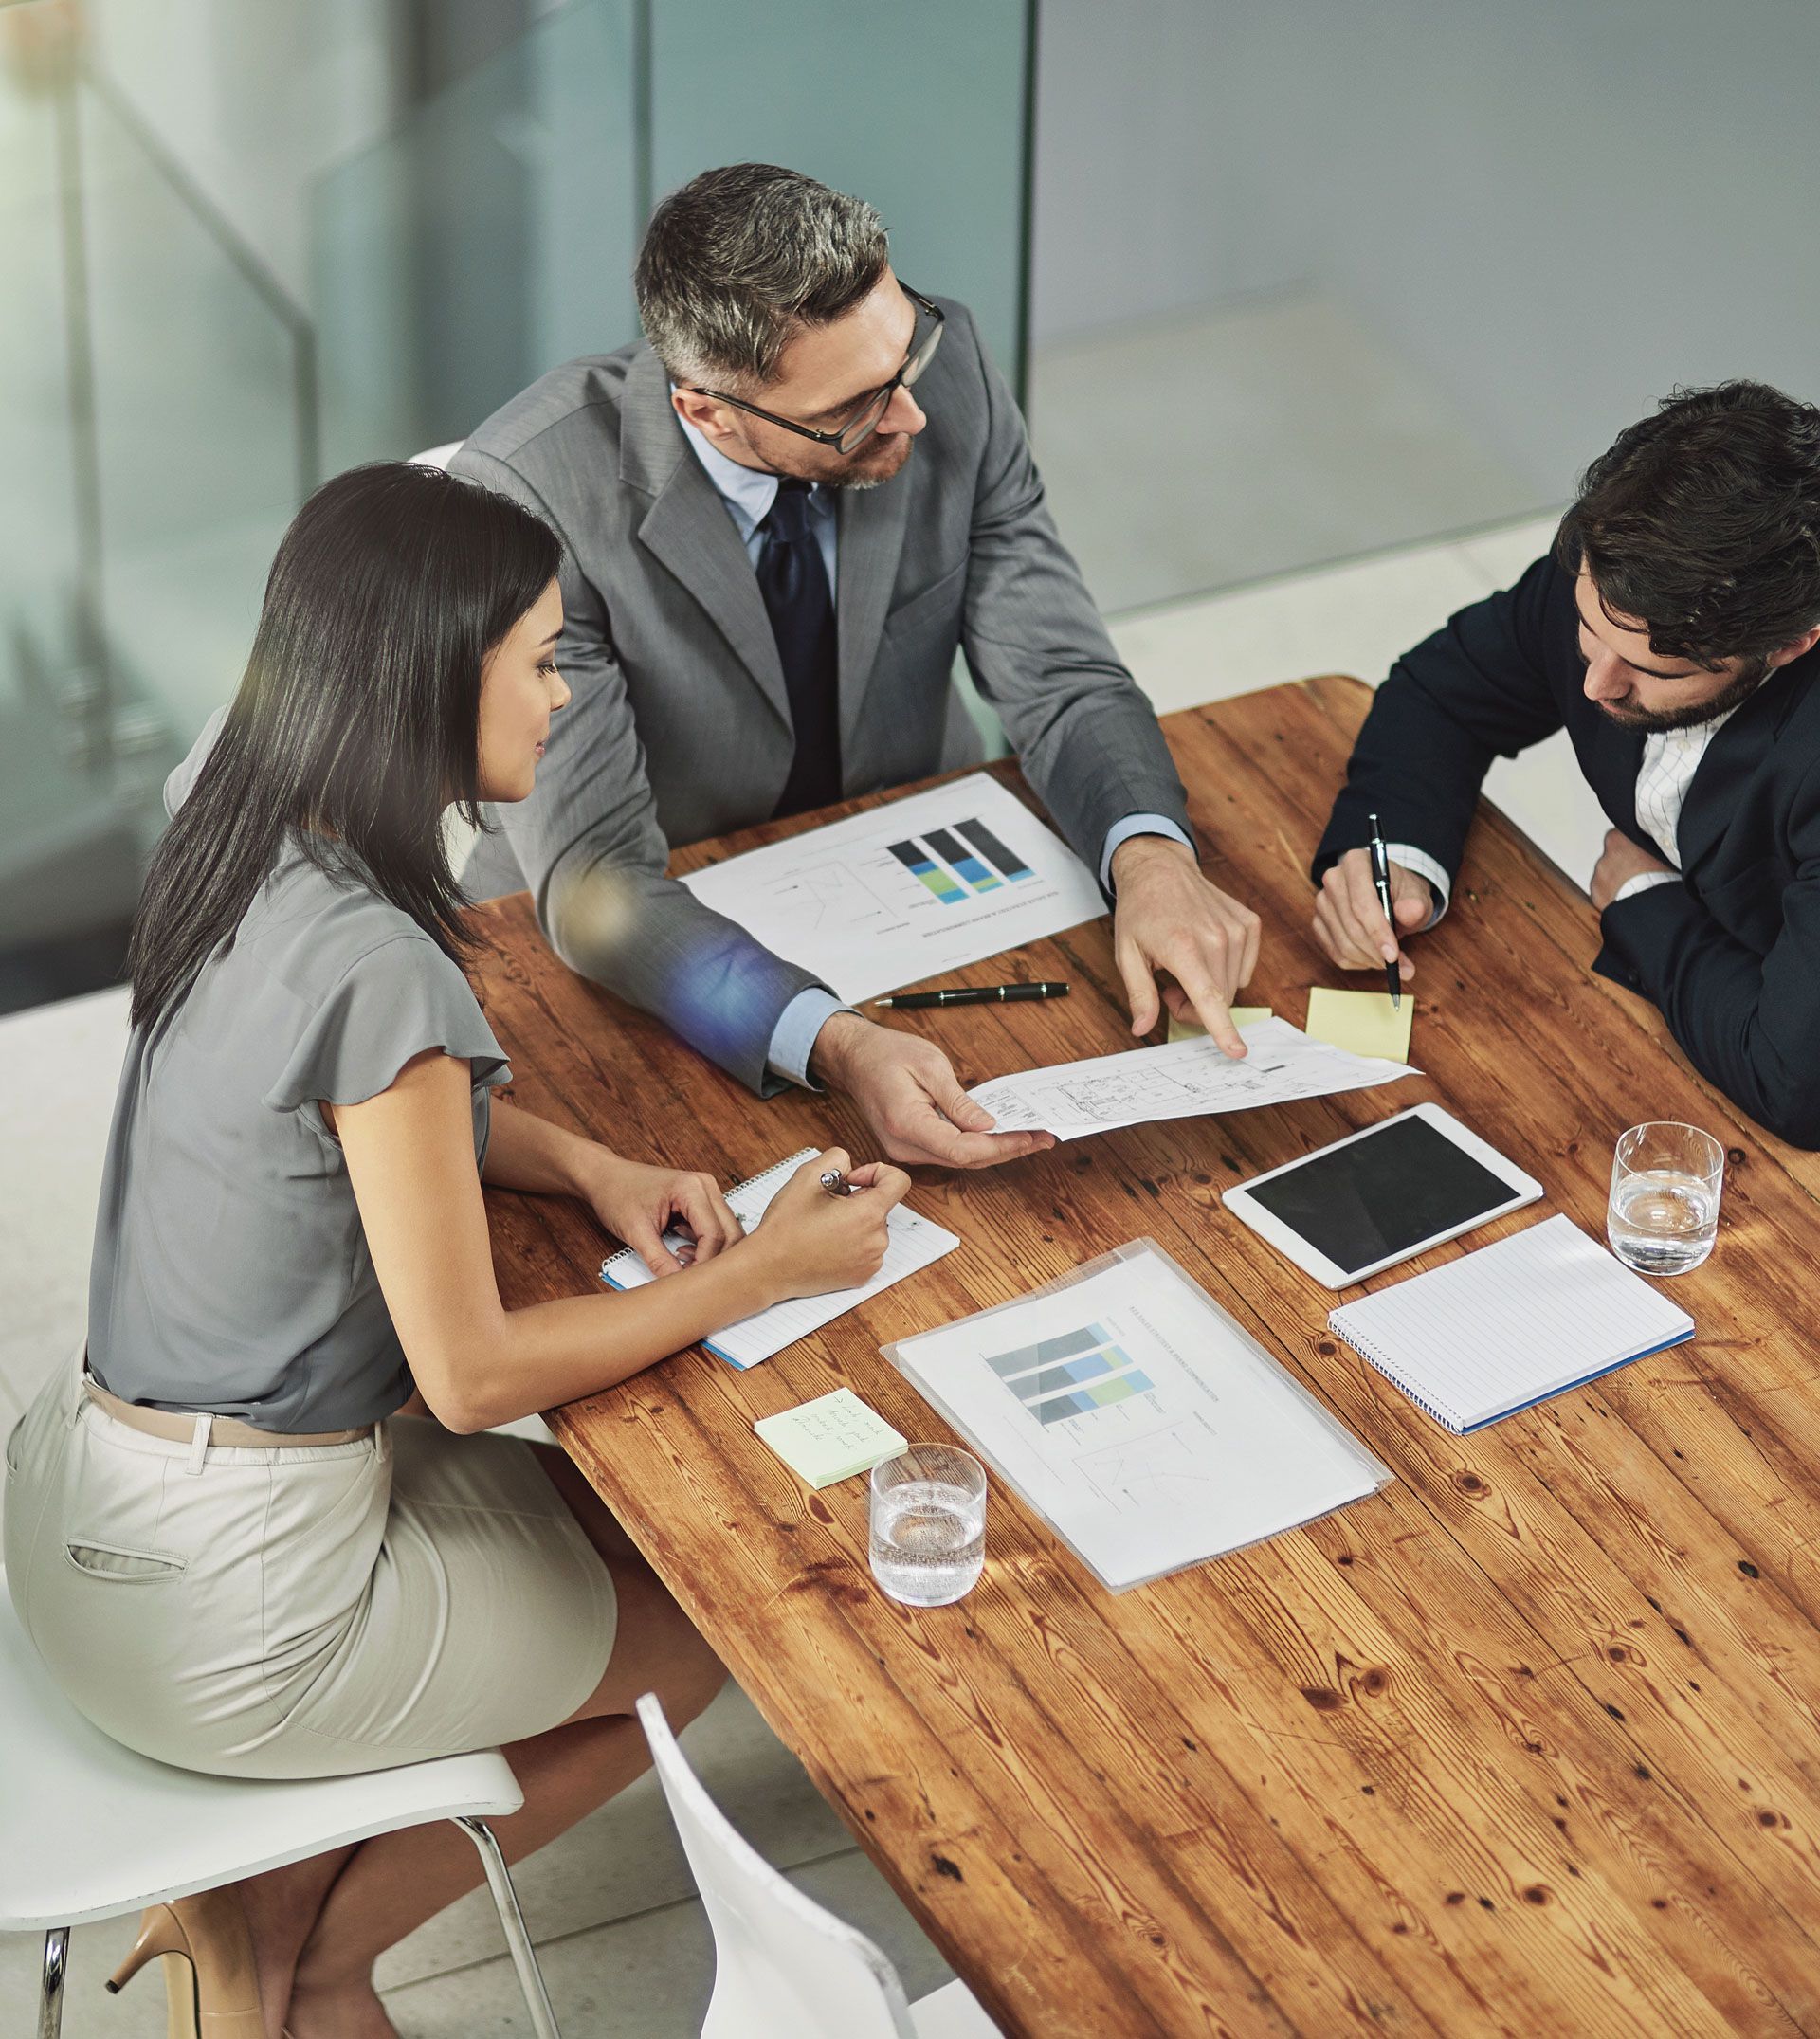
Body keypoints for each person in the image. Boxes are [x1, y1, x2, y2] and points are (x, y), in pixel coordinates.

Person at [2, 463, 908, 2039]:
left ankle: (251, 1914)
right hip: (238, 1601)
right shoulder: (375, 956)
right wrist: (755, 1273)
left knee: (614, 1526)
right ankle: (308, 1959)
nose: (564, 697)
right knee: (695, 1623)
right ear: (433, 673)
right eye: (542, 658)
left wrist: (595, 1163)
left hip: (87, 1506)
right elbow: (475, 1376)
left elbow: (369, 1115)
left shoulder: (230, 840)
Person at [450, 162, 1265, 1171]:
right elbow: (596, 886)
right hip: (644, 948)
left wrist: (1153, 859)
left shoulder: (945, 367)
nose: (912, 417)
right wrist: (829, 1042)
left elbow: (1058, 674)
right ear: (709, 413)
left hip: (916, 874)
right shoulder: (532, 497)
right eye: (856, 407)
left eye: (904, 359)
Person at [1309, 379, 1820, 1148]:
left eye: (1657, 672)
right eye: (1589, 631)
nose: (1594, 684)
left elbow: (1795, 1082)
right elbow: (1443, 694)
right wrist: (1400, 859)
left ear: (1789, 644)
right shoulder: (1613, 580)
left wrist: (1644, 898)